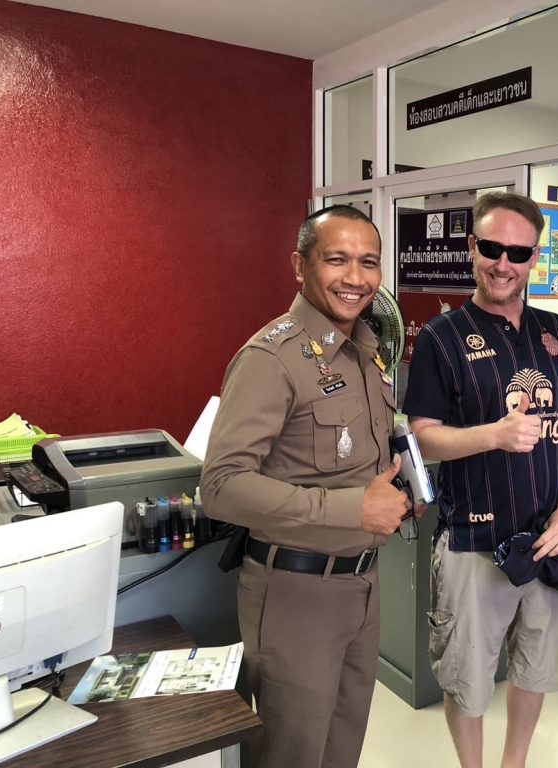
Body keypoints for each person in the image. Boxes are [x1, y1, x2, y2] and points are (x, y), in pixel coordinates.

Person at [201, 205, 421, 768]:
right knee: (292, 755)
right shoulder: (270, 358)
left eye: (369, 262)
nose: (355, 278)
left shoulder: (366, 352)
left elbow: (358, 461)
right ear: (300, 266)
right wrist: (354, 509)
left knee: (341, 750)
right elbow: (221, 486)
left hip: (362, 587)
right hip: (295, 593)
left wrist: (400, 497)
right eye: (337, 259)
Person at [402, 191, 558, 768]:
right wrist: (495, 435)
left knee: (536, 668)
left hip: (548, 539)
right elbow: (423, 437)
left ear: (535, 257)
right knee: (467, 680)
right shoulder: (442, 337)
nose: (503, 264)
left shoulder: (555, 331)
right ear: (471, 247)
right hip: (473, 542)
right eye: (492, 248)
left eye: (519, 252)